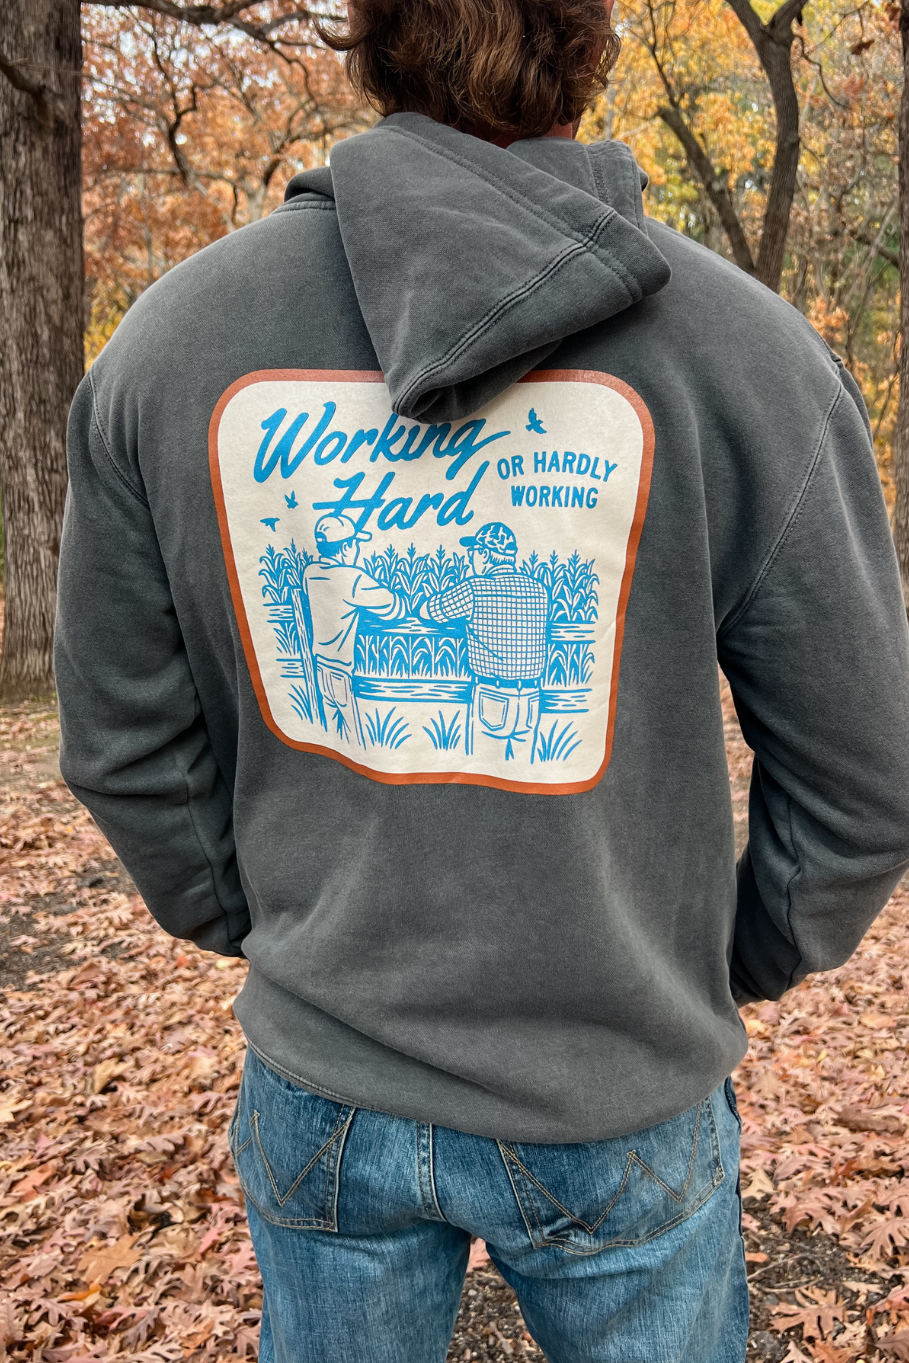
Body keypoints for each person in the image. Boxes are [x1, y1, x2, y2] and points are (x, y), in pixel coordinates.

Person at [54, 0, 909, 1356]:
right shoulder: (754, 359)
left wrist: (270, 924)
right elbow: (868, 787)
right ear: (591, 50)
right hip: (620, 1076)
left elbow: (118, 744)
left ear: (369, 41)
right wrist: (709, 966)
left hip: (325, 1067)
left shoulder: (166, 349)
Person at [421, 522, 548, 760]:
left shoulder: (475, 588)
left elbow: (431, 611)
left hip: (492, 695)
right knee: (523, 771)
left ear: (485, 554)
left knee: (482, 768)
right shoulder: (538, 590)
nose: (470, 559)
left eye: (473, 552)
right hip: (531, 697)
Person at [301, 514, 406, 745]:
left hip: (320, 665)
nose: (357, 547)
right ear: (347, 546)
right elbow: (393, 607)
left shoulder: (310, 572)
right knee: (352, 734)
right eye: (356, 543)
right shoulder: (352, 578)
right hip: (341, 670)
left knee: (330, 735)